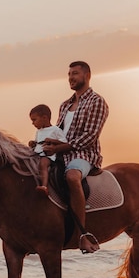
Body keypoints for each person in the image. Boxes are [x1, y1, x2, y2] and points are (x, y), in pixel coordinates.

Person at [43, 61, 109, 253]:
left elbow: (90, 136)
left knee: (72, 176)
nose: (71, 77)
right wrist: (46, 142)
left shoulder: (97, 102)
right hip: (62, 152)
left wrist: (59, 148)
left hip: (84, 154)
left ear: (87, 75)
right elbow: (59, 132)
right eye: (69, 74)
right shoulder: (65, 105)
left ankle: (83, 234)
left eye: (75, 73)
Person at [27, 104, 67, 196]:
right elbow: (37, 143)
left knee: (43, 164)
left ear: (44, 118)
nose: (33, 123)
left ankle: (44, 186)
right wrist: (33, 143)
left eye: (34, 120)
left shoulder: (55, 130)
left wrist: (52, 140)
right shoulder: (38, 131)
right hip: (37, 154)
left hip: (48, 155)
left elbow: (64, 143)